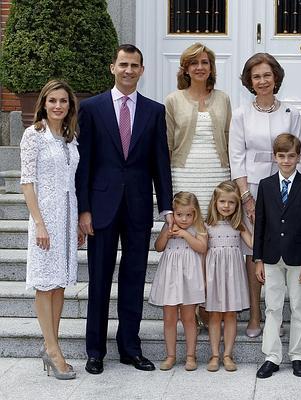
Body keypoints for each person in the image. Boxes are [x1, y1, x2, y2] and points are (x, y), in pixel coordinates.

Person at [76, 44, 174, 374]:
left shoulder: (154, 110)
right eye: (123, 64)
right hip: (100, 209)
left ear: (142, 70)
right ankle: (95, 351)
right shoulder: (91, 108)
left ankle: (130, 348)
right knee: (99, 280)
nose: (129, 70)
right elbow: (84, 163)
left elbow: (161, 163)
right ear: (112, 67)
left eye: (134, 65)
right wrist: (84, 210)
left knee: (133, 280)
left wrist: (167, 209)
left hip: (137, 207)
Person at [229, 53, 301, 338]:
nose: (262, 81)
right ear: (249, 81)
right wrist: (247, 198)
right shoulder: (240, 114)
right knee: (254, 252)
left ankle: (279, 316)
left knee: (282, 249)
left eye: (267, 75)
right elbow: (236, 157)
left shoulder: (291, 113)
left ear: (276, 78)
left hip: (286, 189)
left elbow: (297, 155)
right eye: (256, 76)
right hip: (253, 189)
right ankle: (255, 315)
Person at [20, 79, 82, 380]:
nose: (58, 106)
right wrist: (40, 223)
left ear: (70, 106)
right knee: (45, 284)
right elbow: (27, 183)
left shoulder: (70, 139)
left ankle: (52, 345)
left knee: (59, 285)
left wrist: (78, 222)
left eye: (64, 101)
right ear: (43, 103)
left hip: (67, 219)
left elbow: (71, 184)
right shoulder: (34, 136)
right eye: (52, 100)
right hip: (45, 219)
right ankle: (53, 349)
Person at [253, 133, 301, 379]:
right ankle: (272, 356)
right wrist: (258, 258)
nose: (287, 160)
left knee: (300, 307)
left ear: (298, 156)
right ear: (275, 157)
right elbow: (260, 224)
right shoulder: (267, 185)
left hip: (299, 257)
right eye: (281, 156)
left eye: (291, 156)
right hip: (271, 257)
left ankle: (298, 355)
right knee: (273, 307)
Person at [165, 43, 232, 214]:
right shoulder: (173, 100)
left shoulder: (223, 98)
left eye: (205, 62)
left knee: (215, 222)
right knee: (187, 221)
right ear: (185, 69)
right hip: (183, 173)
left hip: (217, 171)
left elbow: (229, 137)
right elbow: (168, 143)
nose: (200, 67)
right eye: (194, 63)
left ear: (211, 68)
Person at [148, 192, 207, 372]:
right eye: (179, 214)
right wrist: (167, 234)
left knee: (189, 318)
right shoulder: (169, 226)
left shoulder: (198, 228)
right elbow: (158, 248)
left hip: (189, 278)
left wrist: (185, 235)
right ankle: (171, 355)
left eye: (188, 215)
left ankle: (190, 356)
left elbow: (202, 247)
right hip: (170, 277)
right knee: (169, 318)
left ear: (195, 214)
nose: (183, 219)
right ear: (173, 212)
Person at [204, 181, 252, 372]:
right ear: (215, 202)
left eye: (231, 202)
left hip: (233, 275)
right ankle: (215, 355)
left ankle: (228, 354)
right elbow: (201, 252)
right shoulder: (207, 225)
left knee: (231, 314)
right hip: (213, 275)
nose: (226, 206)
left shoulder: (239, 225)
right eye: (222, 201)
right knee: (215, 315)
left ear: (237, 205)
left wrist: (256, 220)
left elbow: (253, 244)